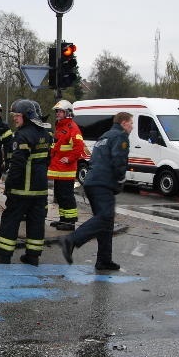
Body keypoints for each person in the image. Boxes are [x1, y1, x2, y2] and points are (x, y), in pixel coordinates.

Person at [58, 111, 133, 271]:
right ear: (124, 123)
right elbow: (119, 160)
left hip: (92, 182)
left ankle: (104, 260)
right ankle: (71, 240)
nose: (132, 127)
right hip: (103, 183)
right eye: (131, 123)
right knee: (105, 217)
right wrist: (121, 179)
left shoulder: (104, 136)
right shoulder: (120, 136)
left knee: (106, 222)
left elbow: (93, 159)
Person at [0, 99, 51, 266]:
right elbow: (48, 160)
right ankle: (32, 256)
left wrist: (9, 186)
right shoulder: (46, 134)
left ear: (26, 116)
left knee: (10, 220)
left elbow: (17, 164)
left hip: (21, 190)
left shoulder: (22, 135)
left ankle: (4, 255)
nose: (15, 119)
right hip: (40, 190)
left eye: (17, 116)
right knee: (36, 222)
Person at [47, 100, 84, 231]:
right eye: (57, 111)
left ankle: (70, 222)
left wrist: (68, 159)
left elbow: (79, 147)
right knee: (59, 195)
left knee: (66, 196)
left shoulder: (72, 128)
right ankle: (63, 219)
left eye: (60, 111)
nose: (57, 113)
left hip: (66, 170)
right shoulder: (60, 127)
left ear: (67, 113)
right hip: (58, 169)